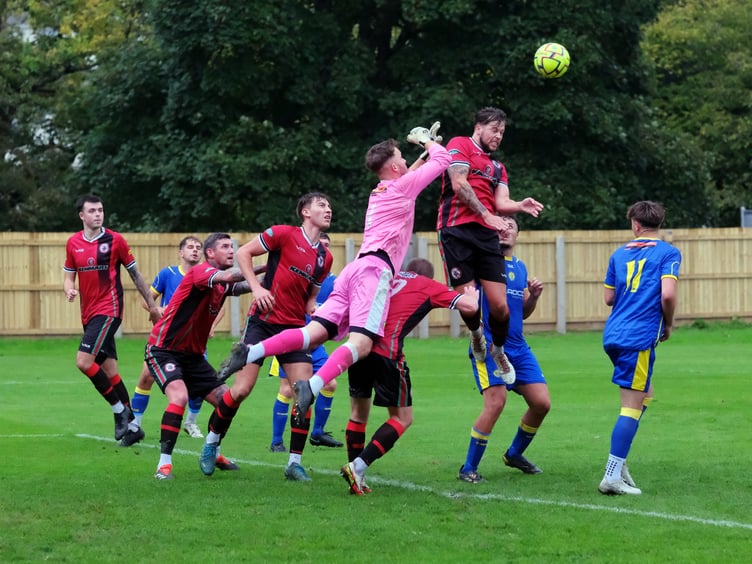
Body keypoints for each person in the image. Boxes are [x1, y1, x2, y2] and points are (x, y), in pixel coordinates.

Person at [218, 123, 450, 428]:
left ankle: (251, 351)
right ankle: (311, 387)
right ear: (394, 165)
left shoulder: (382, 189)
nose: (407, 162)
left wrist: (424, 152)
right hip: (374, 271)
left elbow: (410, 174)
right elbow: (444, 160)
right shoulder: (400, 186)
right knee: (362, 344)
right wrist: (426, 142)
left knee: (313, 334)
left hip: (354, 270)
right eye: (403, 159)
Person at [200, 192, 334, 481]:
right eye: (321, 205)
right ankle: (211, 443)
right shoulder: (282, 234)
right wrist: (257, 289)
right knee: (241, 390)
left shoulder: (325, 257)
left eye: (329, 206)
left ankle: (294, 463)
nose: (328, 209)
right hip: (262, 322)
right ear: (305, 212)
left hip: (295, 330)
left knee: (304, 394)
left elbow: (310, 302)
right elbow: (243, 253)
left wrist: (326, 313)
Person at [342, 258, 479, 495]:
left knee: (357, 413)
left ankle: (357, 477)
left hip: (358, 347)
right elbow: (469, 307)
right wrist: (473, 296)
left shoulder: (388, 278)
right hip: (387, 353)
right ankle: (358, 466)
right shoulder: (427, 285)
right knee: (402, 418)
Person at [437, 107, 544, 385]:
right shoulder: (459, 145)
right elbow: (459, 184)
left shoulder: (497, 167)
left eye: (502, 132)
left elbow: (501, 202)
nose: (498, 136)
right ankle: (476, 336)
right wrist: (485, 214)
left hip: (485, 236)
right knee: (470, 305)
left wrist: (519, 206)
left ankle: (497, 350)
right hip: (456, 232)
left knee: (500, 308)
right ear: (479, 127)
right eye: (495, 129)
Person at [145, 233, 255, 480]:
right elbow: (232, 276)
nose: (231, 251)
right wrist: (258, 264)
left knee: (227, 400)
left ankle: (213, 450)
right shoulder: (201, 272)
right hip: (163, 350)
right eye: (225, 247)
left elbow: (243, 284)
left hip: (193, 357)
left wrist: (280, 269)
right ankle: (164, 466)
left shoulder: (222, 283)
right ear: (210, 254)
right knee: (179, 397)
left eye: (232, 247)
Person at [457, 215, 551, 484]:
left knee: (541, 403)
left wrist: (532, 297)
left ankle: (514, 454)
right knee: (496, 402)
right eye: (501, 225)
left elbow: (523, 311)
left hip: (519, 348)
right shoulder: (482, 265)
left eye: (511, 226)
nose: (505, 229)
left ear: (518, 236)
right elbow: (468, 301)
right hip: (489, 347)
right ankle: (468, 468)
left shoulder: (520, 267)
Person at [598, 201, 681, 495]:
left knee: (645, 393)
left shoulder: (619, 254)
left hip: (614, 334)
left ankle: (619, 464)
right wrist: (668, 324)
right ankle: (612, 474)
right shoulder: (668, 252)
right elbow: (668, 295)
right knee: (631, 406)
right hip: (638, 337)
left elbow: (608, 298)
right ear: (659, 223)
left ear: (635, 224)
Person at [63, 194, 161, 441]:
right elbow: (69, 275)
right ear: (82, 216)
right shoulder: (73, 242)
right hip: (88, 313)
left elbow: (136, 276)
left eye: (101, 210)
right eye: (92, 211)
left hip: (109, 310)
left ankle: (119, 412)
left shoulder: (115, 240)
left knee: (84, 362)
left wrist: (152, 307)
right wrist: (68, 288)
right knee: (110, 371)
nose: (98, 214)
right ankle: (133, 428)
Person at [121, 235, 206, 447]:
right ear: (181, 252)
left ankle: (191, 423)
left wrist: (210, 326)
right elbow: (147, 300)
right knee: (145, 378)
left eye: (198, 247)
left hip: (193, 340)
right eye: (190, 247)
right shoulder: (168, 274)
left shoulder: (206, 276)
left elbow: (218, 307)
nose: (195, 250)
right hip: (165, 340)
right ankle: (135, 427)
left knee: (201, 385)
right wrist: (157, 310)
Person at [268, 233, 342, 452]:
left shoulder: (335, 283)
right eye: (320, 246)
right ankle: (276, 441)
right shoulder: (297, 274)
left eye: (327, 247)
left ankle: (318, 432)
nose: (324, 250)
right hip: (292, 339)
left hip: (316, 343)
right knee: (288, 390)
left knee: (330, 384)